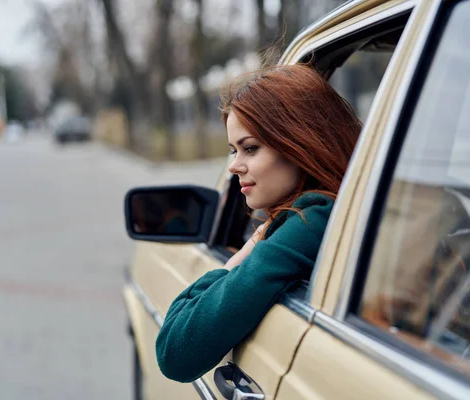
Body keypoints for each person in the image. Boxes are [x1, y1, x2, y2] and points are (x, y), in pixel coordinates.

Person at [155, 64, 362, 383]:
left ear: (299, 143)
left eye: (250, 148)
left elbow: (174, 352)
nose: (234, 166)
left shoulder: (312, 220)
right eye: (234, 150)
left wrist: (249, 249)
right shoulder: (341, 207)